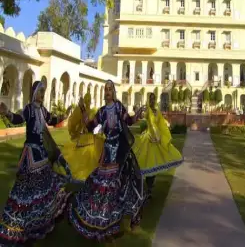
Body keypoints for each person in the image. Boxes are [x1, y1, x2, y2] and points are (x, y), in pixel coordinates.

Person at [68, 80, 144, 240]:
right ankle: (100, 218)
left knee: (128, 180)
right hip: (108, 151)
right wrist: (83, 112)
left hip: (121, 150)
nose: (108, 92)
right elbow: (90, 127)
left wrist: (137, 115)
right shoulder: (102, 111)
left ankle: (118, 218)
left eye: (110, 89)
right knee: (102, 184)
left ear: (114, 91)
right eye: (106, 89)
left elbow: (128, 121)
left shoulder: (118, 107)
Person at [0, 81, 71, 245]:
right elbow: (18, 119)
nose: (42, 94)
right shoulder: (29, 109)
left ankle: (40, 221)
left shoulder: (42, 110)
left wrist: (64, 116)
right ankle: (22, 223)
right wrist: (7, 113)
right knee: (27, 190)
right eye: (40, 91)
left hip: (41, 154)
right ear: (34, 93)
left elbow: (52, 120)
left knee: (45, 186)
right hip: (31, 155)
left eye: (44, 92)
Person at [134, 92, 183, 200]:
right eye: (150, 99)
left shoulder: (157, 112)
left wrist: (163, 135)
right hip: (148, 140)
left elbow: (161, 124)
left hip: (157, 140)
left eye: (153, 98)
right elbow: (137, 117)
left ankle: (150, 189)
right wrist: (139, 110)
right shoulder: (147, 111)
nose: (152, 100)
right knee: (145, 163)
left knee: (155, 165)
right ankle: (143, 188)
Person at [55, 92, 105, 182]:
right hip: (89, 139)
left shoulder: (89, 111)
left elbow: (77, 125)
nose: (89, 101)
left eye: (89, 99)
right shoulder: (90, 111)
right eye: (88, 99)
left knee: (90, 159)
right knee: (88, 160)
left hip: (88, 138)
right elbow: (86, 124)